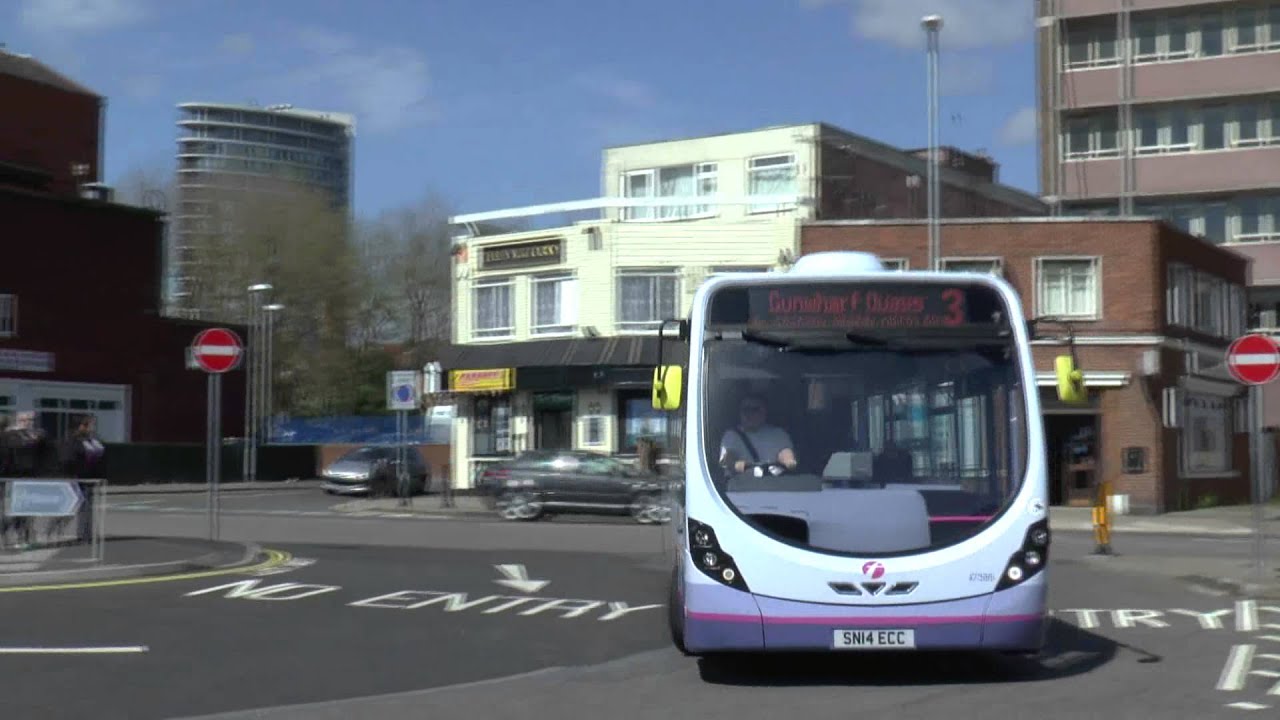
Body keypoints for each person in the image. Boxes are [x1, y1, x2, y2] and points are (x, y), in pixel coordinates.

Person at [719, 394, 797, 475]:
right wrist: (737, 465)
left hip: (774, 481)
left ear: (764, 411)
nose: (749, 413)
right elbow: (728, 459)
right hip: (742, 482)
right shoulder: (731, 435)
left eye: (755, 409)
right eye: (745, 409)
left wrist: (789, 462)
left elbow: (785, 453)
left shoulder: (779, 434)